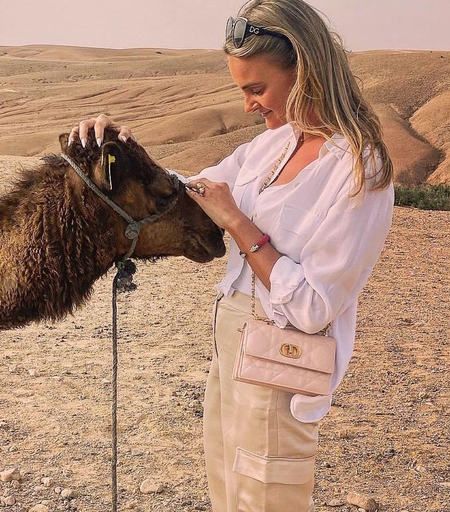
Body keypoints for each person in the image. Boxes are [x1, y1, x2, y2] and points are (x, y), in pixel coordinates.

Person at [70, 0, 394, 510]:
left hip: (286, 355)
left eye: (257, 89)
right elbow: (186, 189)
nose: (248, 105)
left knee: (265, 496)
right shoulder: (271, 146)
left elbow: (312, 307)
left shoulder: (359, 171)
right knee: (225, 487)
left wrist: (239, 224)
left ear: (303, 69)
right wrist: (125, 151)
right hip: (231, 340)